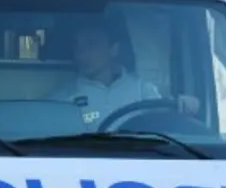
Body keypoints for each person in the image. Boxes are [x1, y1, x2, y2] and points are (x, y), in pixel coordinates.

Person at [50, 19, 199, 129]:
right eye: (78, 47)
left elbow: (166, 122)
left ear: (113, 49)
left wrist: (186, 106)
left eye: (91, 44)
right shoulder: (63, 99)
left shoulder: (143, 91)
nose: (81, 55)